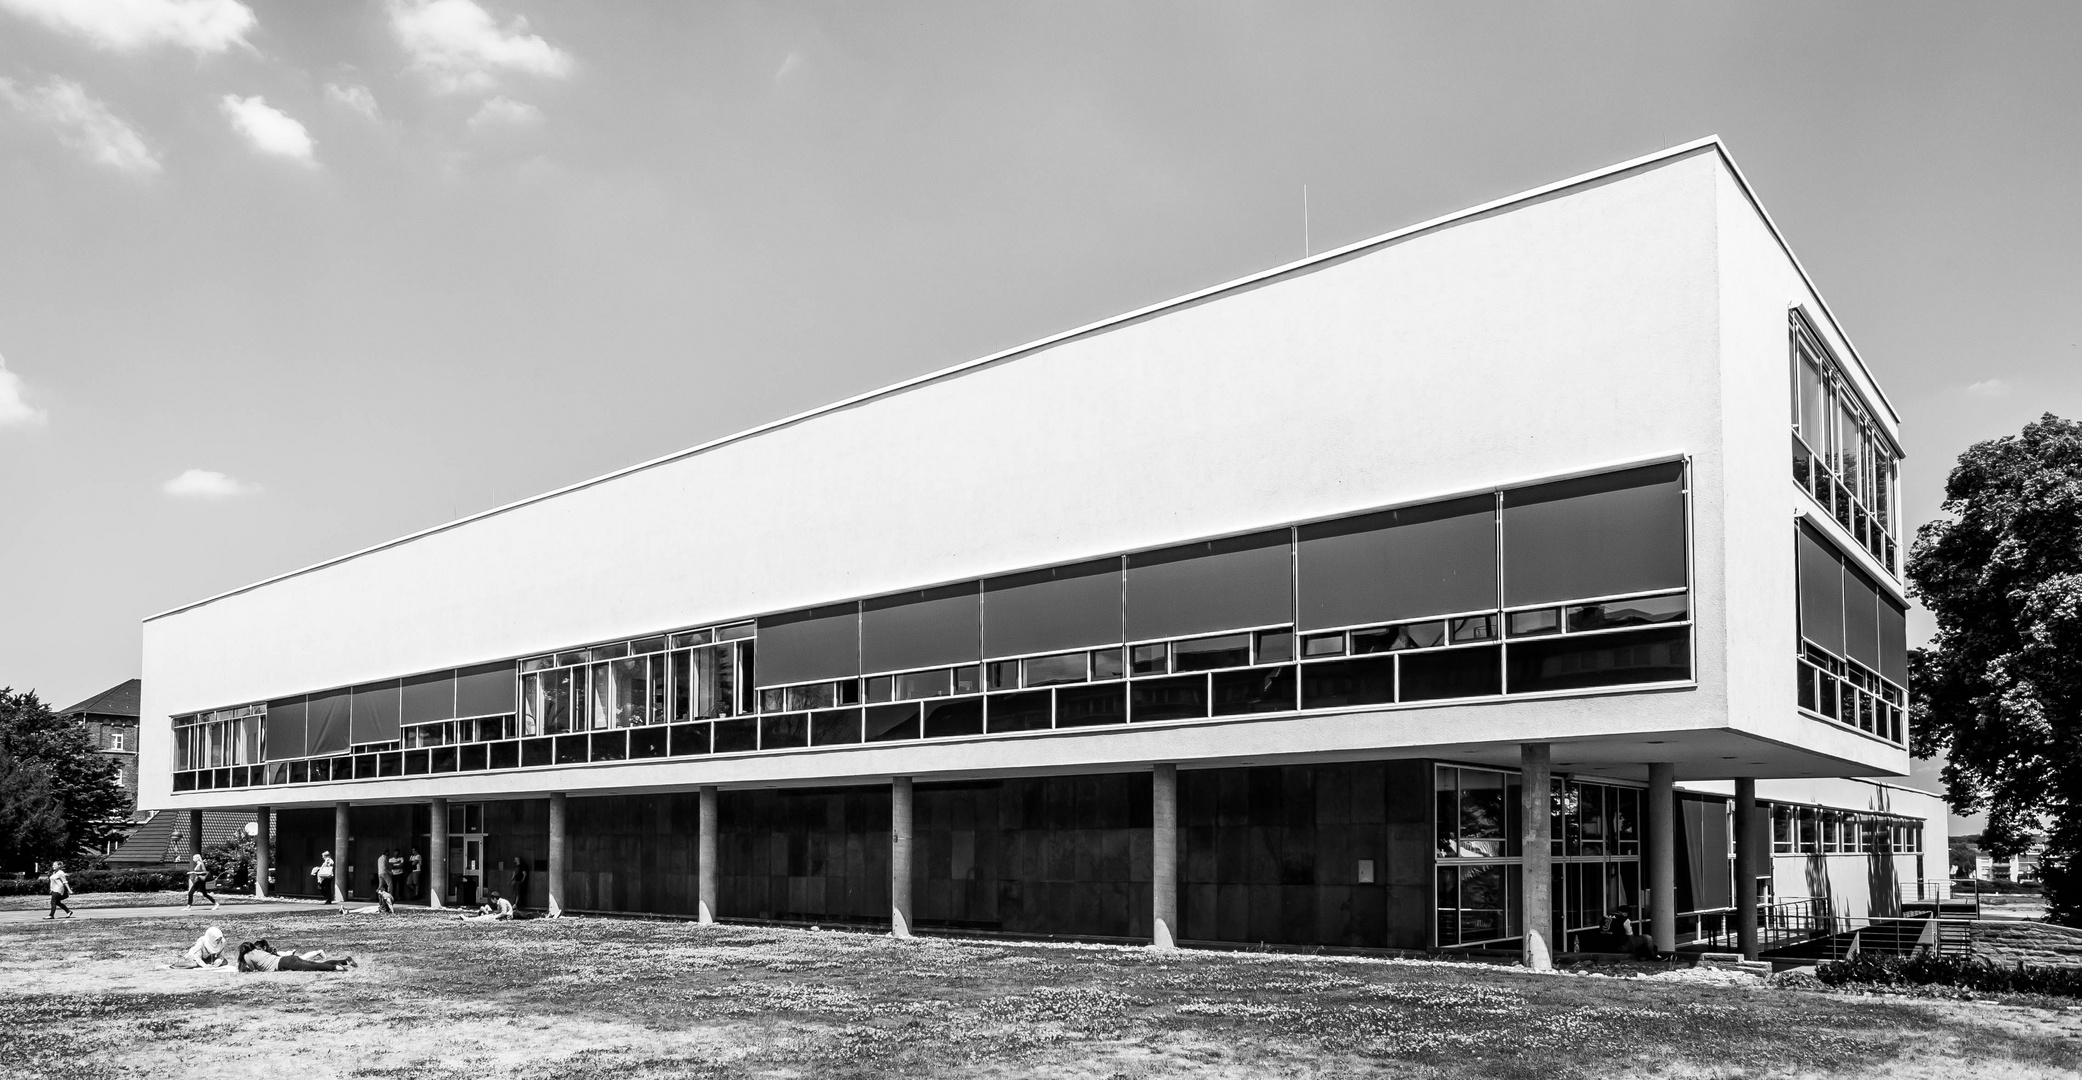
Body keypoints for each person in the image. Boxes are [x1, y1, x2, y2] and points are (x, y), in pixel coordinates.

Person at [237, 939, 356, 972]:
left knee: (313, 967)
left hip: (283, 963)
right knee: (315, 964)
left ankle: (335, 967)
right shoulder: (258, 951)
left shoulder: (247, 956)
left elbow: (253, 970)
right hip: (286, 959)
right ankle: (345, 961)